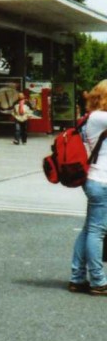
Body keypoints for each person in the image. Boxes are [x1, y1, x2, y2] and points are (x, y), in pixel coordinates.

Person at [69, 79, 107, 295]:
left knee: (89, 229)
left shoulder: (91, 118)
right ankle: (98, 281)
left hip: (94, 179)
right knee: (96, 231)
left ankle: (77, 277)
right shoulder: (101, 118)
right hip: (102, 181)